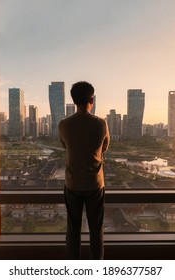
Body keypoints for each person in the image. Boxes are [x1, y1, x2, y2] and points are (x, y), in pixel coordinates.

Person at [58, 81, 110, 259]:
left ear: (74, 101)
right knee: (96, 229)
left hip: (73, 184)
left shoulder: (64, 124)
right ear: (91, 99)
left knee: (73, 228)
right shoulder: (101, 124)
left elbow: (65, 146)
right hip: (95, 184)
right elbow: (105, 147)